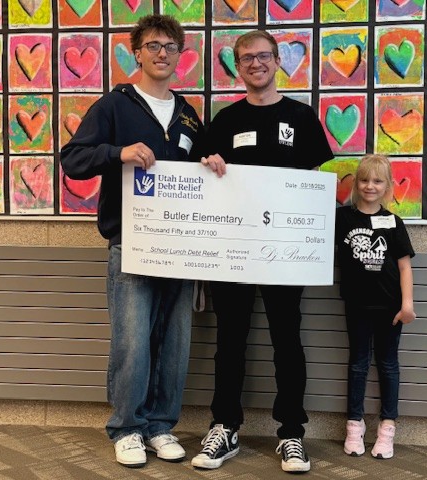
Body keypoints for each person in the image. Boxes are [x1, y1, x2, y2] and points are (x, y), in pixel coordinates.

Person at [60, 14, 204, 469]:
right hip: (131, 243)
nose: (162, 53)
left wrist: (212, 163)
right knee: (133, 341)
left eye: (170, 46)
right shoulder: (114, 105)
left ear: (180, 55)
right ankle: (126, 428)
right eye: (153, 46)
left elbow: (201, 174)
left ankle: (160, 426)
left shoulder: (188, 114)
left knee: (174, 342)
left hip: (180, 247)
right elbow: (72, 158)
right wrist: (116, 153)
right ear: (136, 53)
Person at [191, 30, 334, 474]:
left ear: (278, 60)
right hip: (232, 249)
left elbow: (318, 179)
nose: (256, 64)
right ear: (237, 67)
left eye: (263, 56)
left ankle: (291, 433)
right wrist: (207, 164)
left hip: (285, 251)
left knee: (287, 339)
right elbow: (201, 176)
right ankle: (225, 427)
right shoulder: (225, 120)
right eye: (247, 58)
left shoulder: (301, 116)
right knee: (230, 339)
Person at [335, 154, 416, 460]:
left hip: (390, 308)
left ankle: (387, 428)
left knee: (388, 364)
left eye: (378, 181)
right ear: (356, 183)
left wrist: (407, 304)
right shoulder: (342, 218)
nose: (370, 186)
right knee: (358, 364)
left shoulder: (394, 223)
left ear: (387, 186)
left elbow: (405, 267)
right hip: (357, 306)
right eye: (364, 180)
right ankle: (354, 426)